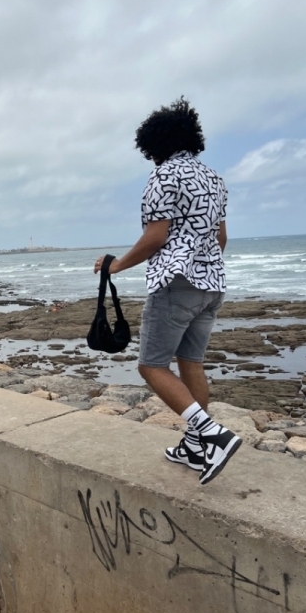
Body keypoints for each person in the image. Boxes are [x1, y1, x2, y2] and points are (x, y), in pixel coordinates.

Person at [94, 97, 241, 485]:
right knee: (190, 363)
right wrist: (202, 265)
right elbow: (221, 238)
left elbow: (156, 237)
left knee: (151, 366)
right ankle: (195, 448)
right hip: (212, 286)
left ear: (153, 144)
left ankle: (214, 435)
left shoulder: (163, 177)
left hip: (176, 285)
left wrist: (116, 265)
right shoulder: (214, 180)